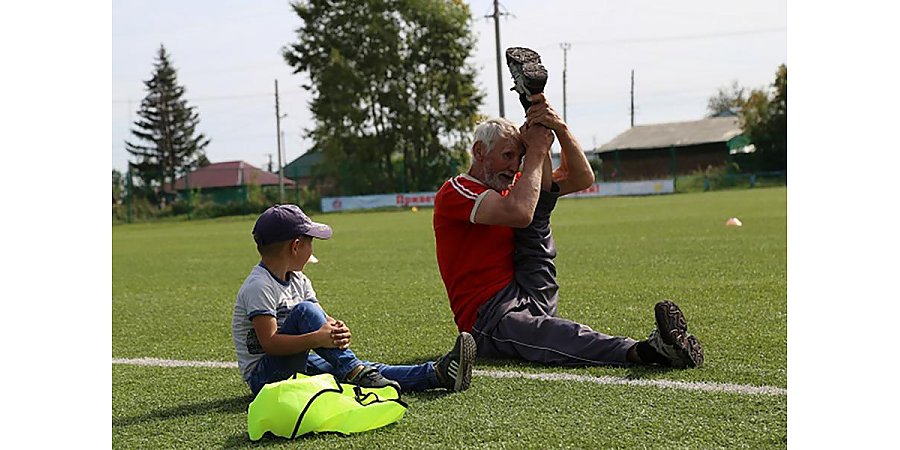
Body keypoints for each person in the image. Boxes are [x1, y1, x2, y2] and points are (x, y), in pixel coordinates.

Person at [432, 94, 704, 369]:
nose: (515, 165)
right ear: (479, 152)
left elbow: (582, 178)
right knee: (552, 333)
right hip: (489, 317)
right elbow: (519, 213)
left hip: (531, 289)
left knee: (540, 196)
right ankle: (646, 351)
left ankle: (533, 103)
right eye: (508, 155)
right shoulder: (456, 191)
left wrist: (558, 128)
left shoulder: (511, 184)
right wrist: (537, 151)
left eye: (519, 156)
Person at [233, 204, 477, 397]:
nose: (312, 249)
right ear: (296, 246)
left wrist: (335, 329)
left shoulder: (298, 279)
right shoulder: (260, 285)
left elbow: (320, 319)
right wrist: (318, 338)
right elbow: (271, 343)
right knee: (310, 317)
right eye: (311, 242)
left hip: (300, 360)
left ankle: (437, 375)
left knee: (364, 368)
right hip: (265, 379)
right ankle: (354, 369)